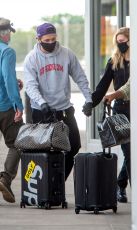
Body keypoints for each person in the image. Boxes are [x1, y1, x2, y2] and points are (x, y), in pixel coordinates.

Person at [24, 22, 92, 180]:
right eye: (46, 40)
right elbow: (30, 86)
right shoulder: (32, 58)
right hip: (42, 111)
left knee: (74, 146)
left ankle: (57, 182)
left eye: (53, 39)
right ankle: (44, 186)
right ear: (38, 39)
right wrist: (42, 103)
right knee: (45, 151)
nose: (50, 43)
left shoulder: (67, 54)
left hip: (65, 109)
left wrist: (88, 100)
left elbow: (80, 78)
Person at [85, 27, 130, 203]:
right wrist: (90, 103)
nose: (121, 44)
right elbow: (102, 87)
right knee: (128, 150)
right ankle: (122, 186)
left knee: (134, 151)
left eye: (124, 41)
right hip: (121, 110)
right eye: (118, 41)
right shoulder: (113, 61)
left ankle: (121, 183)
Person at [0, 18, 24, 203]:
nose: (10, 36)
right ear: (4, 32)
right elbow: (7, 80)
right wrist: (18, 106)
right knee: (18, 143)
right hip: (5, 108)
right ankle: (5, 179)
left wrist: (14, 83)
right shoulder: (7, 51)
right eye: (9, 32)